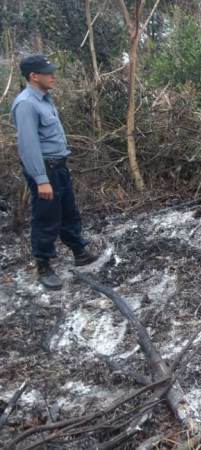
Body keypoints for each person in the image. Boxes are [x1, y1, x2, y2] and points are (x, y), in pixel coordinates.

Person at [11, 54, 98, 290]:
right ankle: (44, 266)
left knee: (69, 211)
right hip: (45, 171)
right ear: (33, 76)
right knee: (47, 217)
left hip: (58, 167)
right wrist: (41, 180)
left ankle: (79, 252)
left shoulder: (44, 99)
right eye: (48, 72)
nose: (53, 76)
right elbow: (28, 146)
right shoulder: (26, 103)